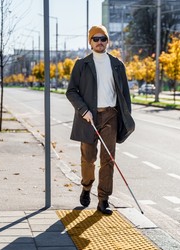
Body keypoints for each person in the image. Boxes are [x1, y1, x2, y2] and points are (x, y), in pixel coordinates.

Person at [66, 25, 135, 215]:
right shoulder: (82, 64)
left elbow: (125, 95)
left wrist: (125, 117)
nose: (99, 42)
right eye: (95, 39)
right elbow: (71, 91)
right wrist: (83, 110)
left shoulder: (117, 65)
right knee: (88, 158)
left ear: (108, 41)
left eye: (103, 38)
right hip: (88, 117)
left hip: (110, 116)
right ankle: (87, 186)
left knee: (108, 159)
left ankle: (103, 199)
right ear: (90, 42)